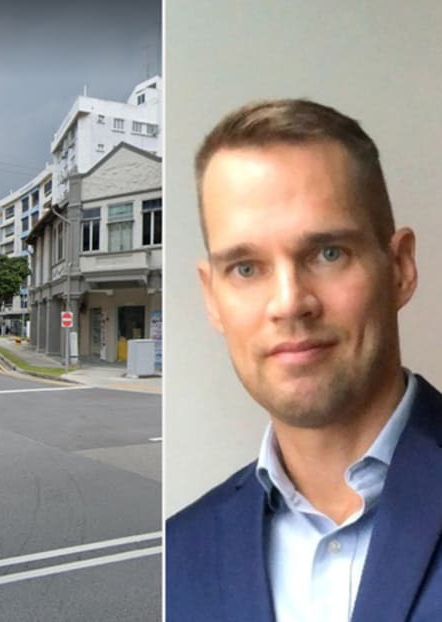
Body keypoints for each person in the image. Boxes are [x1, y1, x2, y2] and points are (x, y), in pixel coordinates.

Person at [165, 99, 442, 621]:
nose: (289, 302)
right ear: (211, 297)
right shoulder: (178, 555)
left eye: (328, 253)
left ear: (400, 267)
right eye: (246, 268)